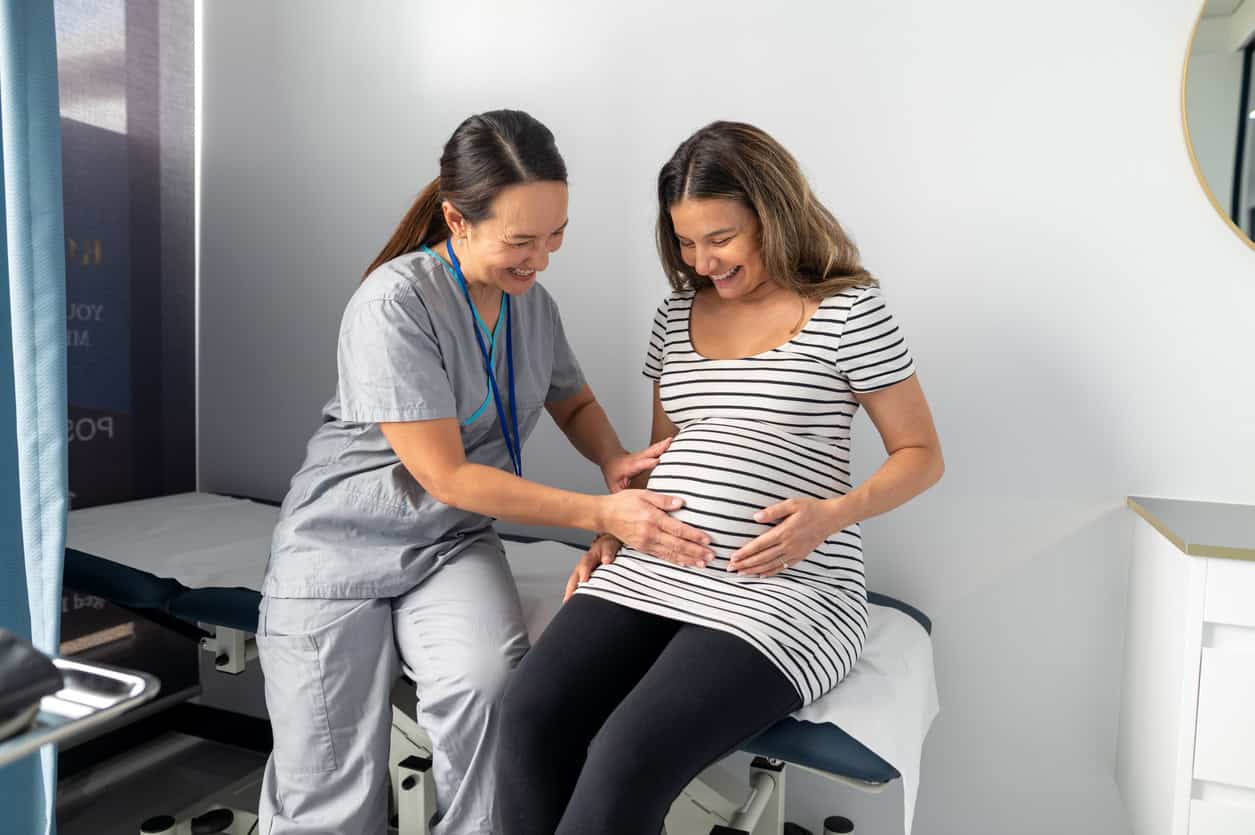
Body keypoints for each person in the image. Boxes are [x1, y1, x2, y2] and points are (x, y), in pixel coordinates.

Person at [255, 109, 713, 835]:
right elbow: (448, 475)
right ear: (456, 220)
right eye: (521, 240)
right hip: (339, 549)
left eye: (556, 234)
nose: (542, 257)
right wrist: (600, 513)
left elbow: (574, 397)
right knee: (327, 789)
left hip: (450, 544)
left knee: (492, 696)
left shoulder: (532, 305)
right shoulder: (394, 302)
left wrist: (613, 458)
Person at [497, 121, 945, 835]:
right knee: (525, 714)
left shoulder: (849, 311)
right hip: (656, 564)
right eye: (684, 241)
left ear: (773, 212)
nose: (703, 260)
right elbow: (659, 452)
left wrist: (831, 514)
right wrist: (617, 525)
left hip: (783, 585)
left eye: (721, 237)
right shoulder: (675, 314)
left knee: (626, 750)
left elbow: (921, 453)